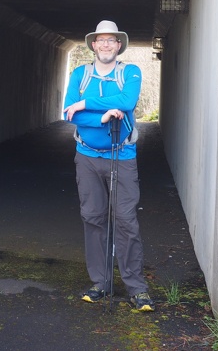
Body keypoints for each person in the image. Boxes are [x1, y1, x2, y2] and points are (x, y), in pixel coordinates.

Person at [63, 20, 153, 311]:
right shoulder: (80, 73)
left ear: (118, 46)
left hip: (122, 155)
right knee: (93, 218)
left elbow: (127, 101)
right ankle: (99, 283)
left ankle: (136, 288)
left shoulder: (130, 72)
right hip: (87, 156)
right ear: (93, 45)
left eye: (111, 41)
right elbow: (69, 113)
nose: (105, 45)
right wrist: (100, 117)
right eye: (100, 40)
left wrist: (86, 102)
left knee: (126, 221)